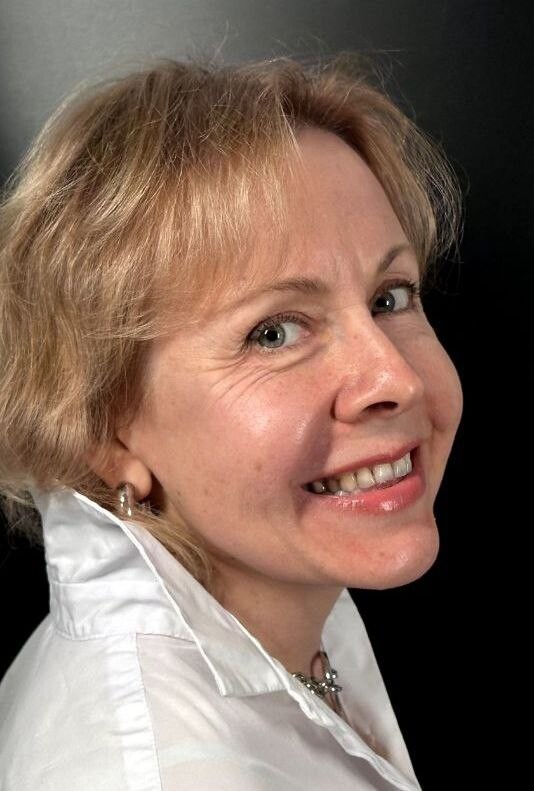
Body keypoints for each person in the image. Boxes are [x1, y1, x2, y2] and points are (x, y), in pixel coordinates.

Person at [0, 55, 463, 790]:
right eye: (274, 332)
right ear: (105, 433)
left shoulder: (278, 593)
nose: (397, 380)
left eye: (391, 297)